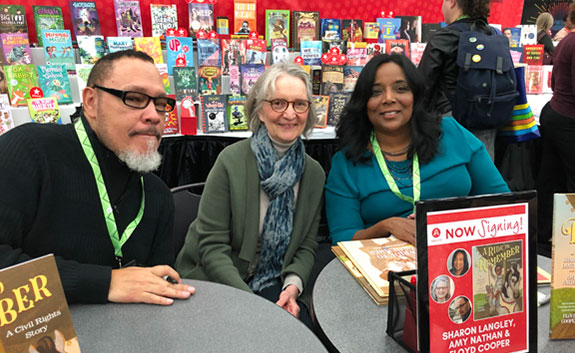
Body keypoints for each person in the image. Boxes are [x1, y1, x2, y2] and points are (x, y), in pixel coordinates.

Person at [0, 50, 195, 305]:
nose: (154, 115)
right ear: (91, 102)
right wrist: (104, 282)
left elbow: (157, 289)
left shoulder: (156, 195)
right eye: (134, 98)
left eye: (160, 104)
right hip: (31, 338)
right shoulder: (30, 151)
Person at [176, 62, 325, 327]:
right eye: (278, 103)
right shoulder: (231, 161)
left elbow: (306, 245)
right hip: (216, 278)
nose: (290, 114)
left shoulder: (313, 173)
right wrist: (251, 303)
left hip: (273, 279)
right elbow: (211, 247)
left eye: (299, 104)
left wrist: (292, 287)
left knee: (302, 336)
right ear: (260, 109)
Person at [324, 54, 509, 245]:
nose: (388, 98)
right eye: (375, 92)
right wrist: (385, 227)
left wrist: (453, 224)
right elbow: (342, 239)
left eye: (401, 89)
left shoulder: (452, 134)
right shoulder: (347, 162)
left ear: (416, 95)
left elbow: (504, 204)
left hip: (463, 254)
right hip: (387, 266)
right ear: (363, 103)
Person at [418, 0, 499, 159]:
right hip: (489, 115)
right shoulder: (492, 34)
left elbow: (422, 85)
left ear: (452, 2)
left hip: (450, 119)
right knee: (484, 171)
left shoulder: (444, 37)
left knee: (451, 173)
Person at [536, 4, 575, 254]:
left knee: (550, 179)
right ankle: (567, 242)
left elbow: (553, 81)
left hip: (555, 113)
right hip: (569, 119)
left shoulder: (566, 41)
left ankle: (545, 234)